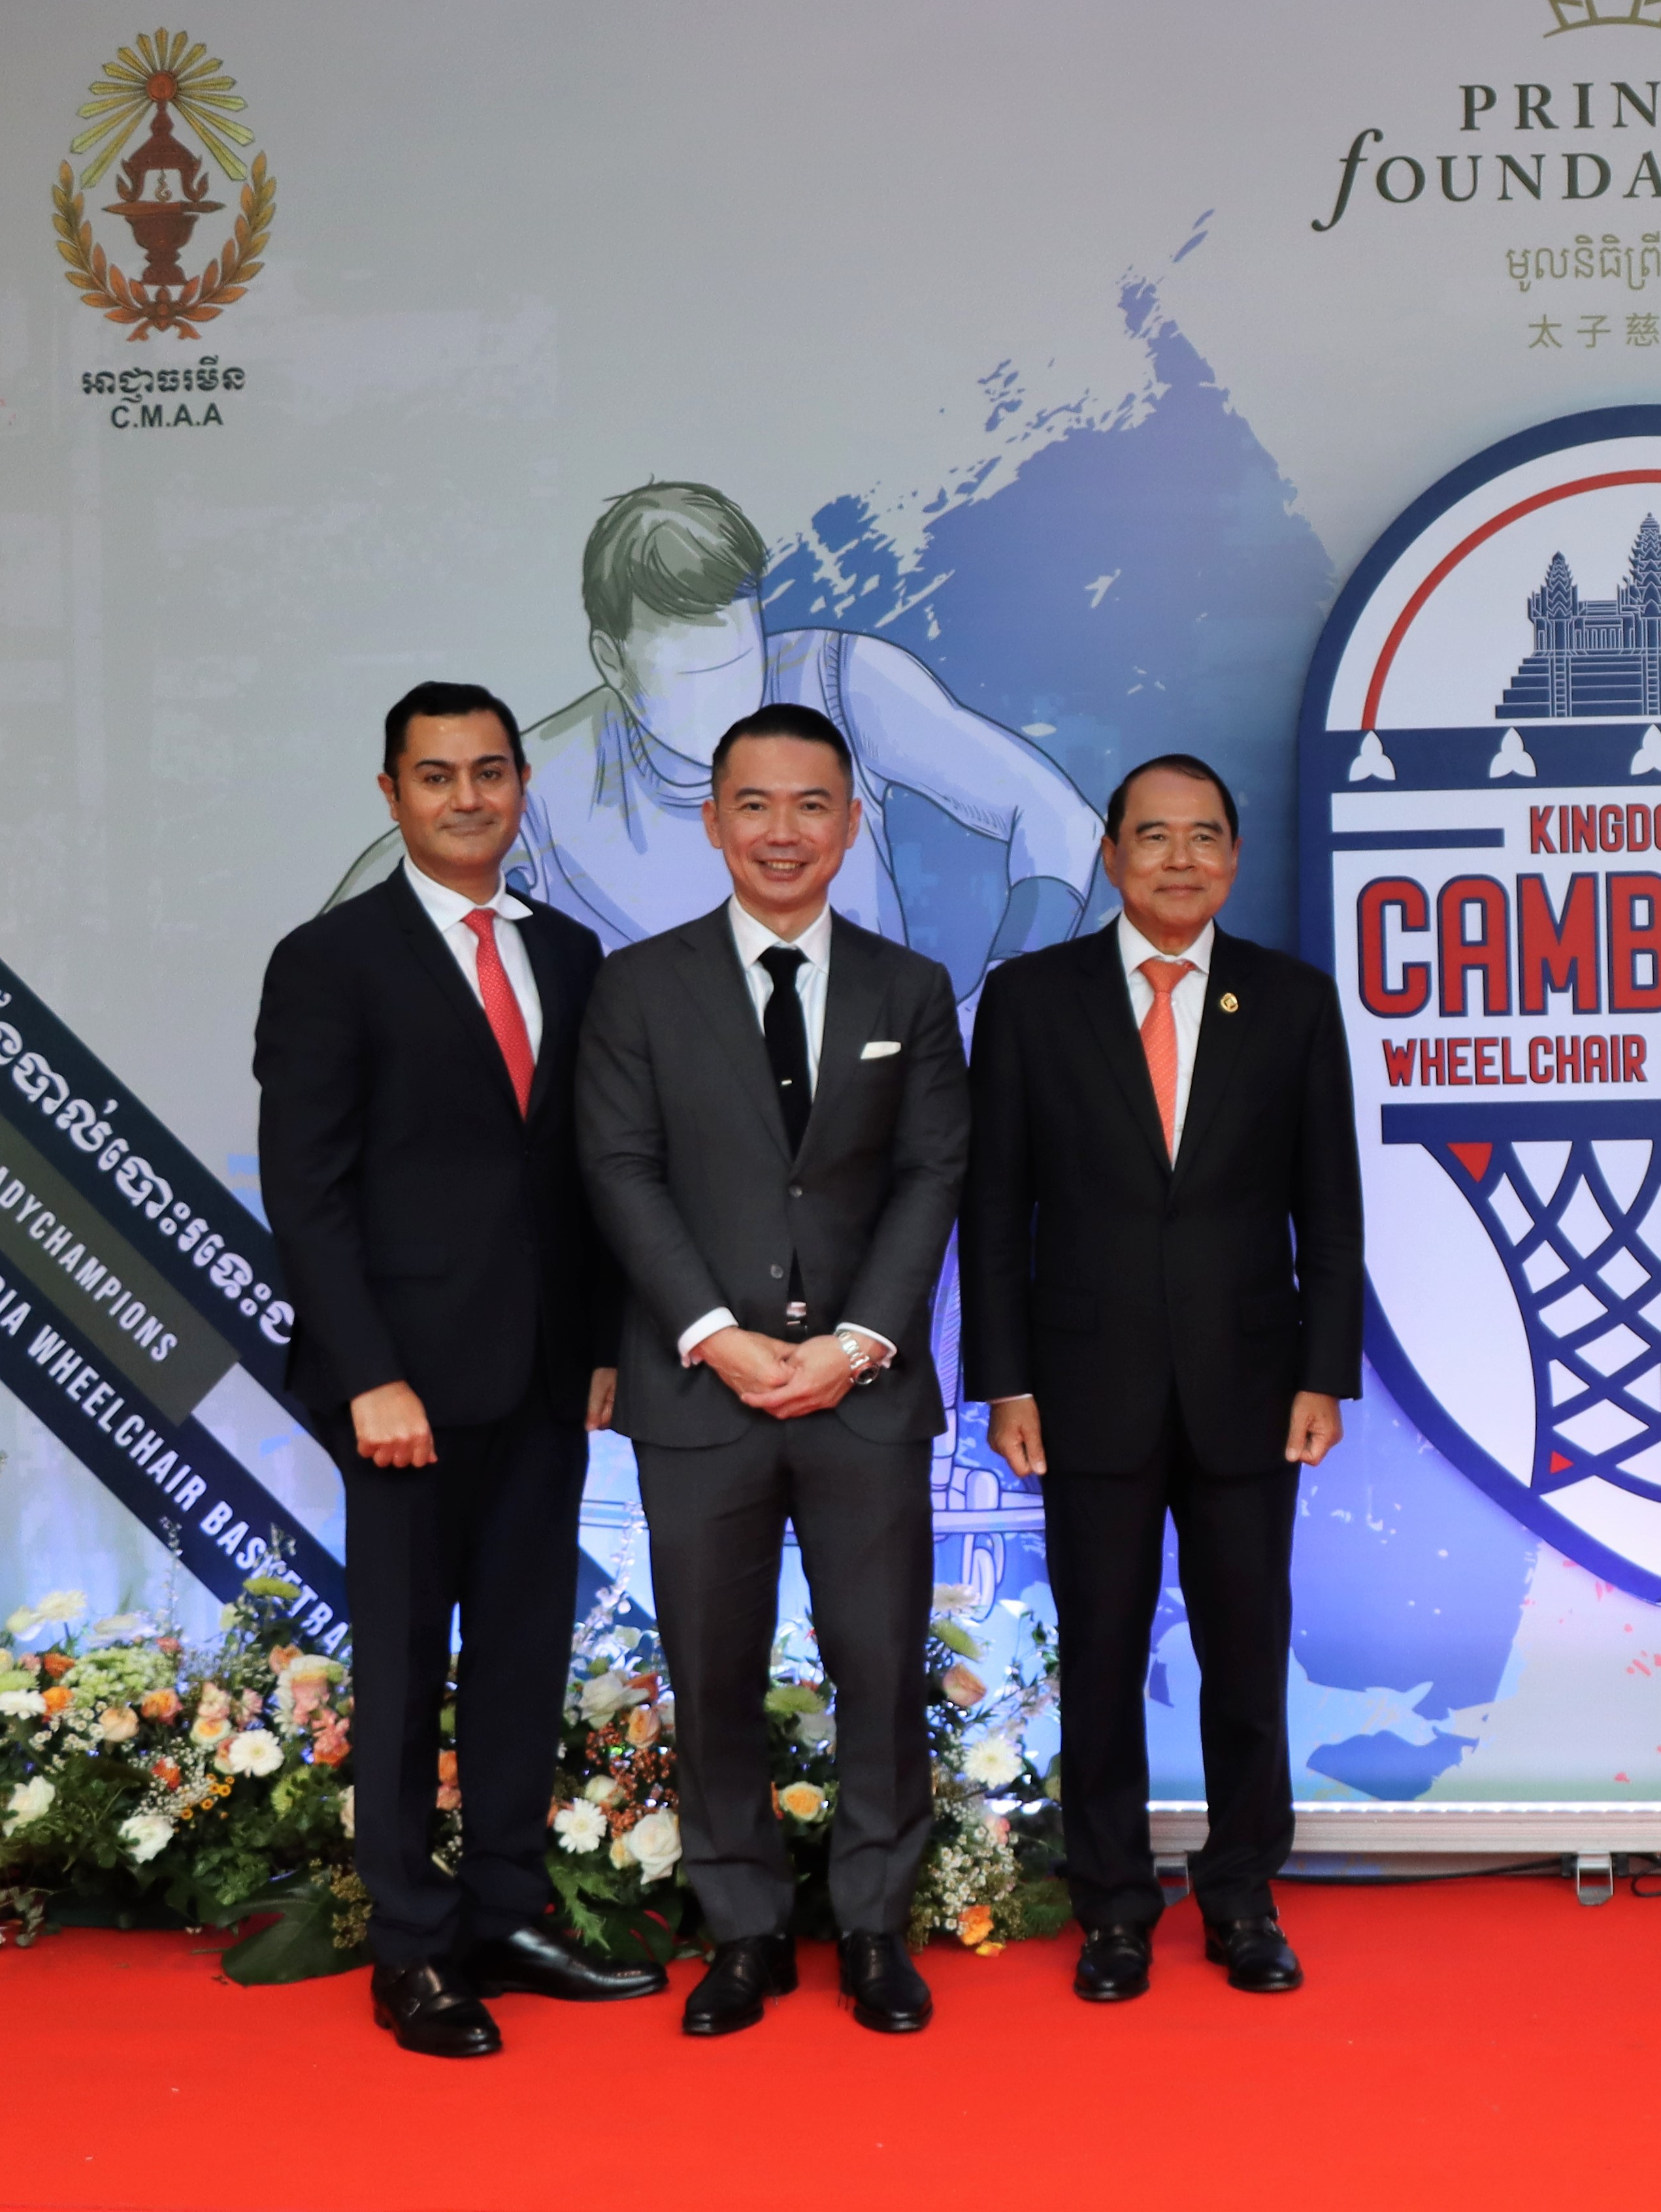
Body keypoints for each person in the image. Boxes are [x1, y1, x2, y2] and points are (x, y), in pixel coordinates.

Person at [254, 682, 659, 2057]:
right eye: (437, 776)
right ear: (392, 795)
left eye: (490, 772)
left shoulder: (571, 952)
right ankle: (412, 1948)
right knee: (405, 1662)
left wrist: (598, 1342)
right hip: (403, 1390)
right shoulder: (331, 960)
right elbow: (306, 1192)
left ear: (520, 788)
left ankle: (503, 1912)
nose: (468, 797)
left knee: (523, 1659)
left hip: (543, 1377)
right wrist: (368, 1372)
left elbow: (587, 1173)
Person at [575, 702, 970, 2037]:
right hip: (701, 1388)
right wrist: (714, 1330)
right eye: (755, 803)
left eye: (812, 804)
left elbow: (931, 1173)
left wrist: (857, 1341)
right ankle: (741, 1929)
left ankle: (873, 1925)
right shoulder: (638, 986)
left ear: (851, 822)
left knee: (881, 1665)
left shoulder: (910, 989)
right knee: (712, 1669)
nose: (783, 831)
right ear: (713, 821)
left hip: (866, 1394)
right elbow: (619, 1169)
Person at [961, 754, 1359, 2002]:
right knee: (1100, 1652)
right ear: (1112, 854)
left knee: (1248, 1652)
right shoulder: (1031, 999)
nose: (1179, 859)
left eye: (1203, 837)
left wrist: (1325, 1371)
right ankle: (1114, 1907)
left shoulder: (1292, 1001)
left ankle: (1242, 1897)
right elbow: (994, 1208)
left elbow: (1330, 1206)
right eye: (1153, 836)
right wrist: (1007, 1382)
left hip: (1252, 1385)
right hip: (1086, 1387)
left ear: (1233, 856)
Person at [328, 480, 1107, 973]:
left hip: (865, 1111)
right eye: (692, 685)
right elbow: (342, 934)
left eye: (744, 668)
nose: (736, 723)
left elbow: (1055, 815)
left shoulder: (837, 681)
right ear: (611, 662)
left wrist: (1005, 983)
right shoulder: (545, 780)